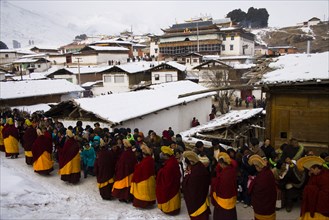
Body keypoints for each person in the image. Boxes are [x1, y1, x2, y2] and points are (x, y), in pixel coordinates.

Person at [297, 156, 329, 220]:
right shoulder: (314, 175)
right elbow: (310, 185)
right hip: (313, 199)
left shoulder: (325, 176)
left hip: (321, 201)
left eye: (312, 170)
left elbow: (326, 192)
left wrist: (312, 190)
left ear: (317, 168)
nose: (311, 172)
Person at [182, 151, 211, 220]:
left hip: (197, 197)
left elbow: (191, 186)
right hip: (202, 194)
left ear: (191, 162)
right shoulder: (199, 165)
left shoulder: (196, 172)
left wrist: (187, 177)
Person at [248, 155, 277, 220]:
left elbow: (257, 190)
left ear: (258, 166)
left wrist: (252, 183)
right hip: (270, 202)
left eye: (255, 166)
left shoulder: (261, 177)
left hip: (262, 206)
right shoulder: (269, 172)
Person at [211, 152, 237, 220]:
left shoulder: (224, 174)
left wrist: (214, 181)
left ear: (222, 163)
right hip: (231, 195)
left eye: (219, 164)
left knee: (223, 214)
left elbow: (218, 186)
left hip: (223, 198)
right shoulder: (232, 170)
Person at [156, 146, 181, 215]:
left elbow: (167, 177)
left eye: (163, 154)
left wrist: (161, 171)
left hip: (171, 185)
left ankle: (170, 209)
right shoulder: (172, 160)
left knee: (166, 193)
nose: (162, 155)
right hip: (174, 184)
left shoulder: (170, 165)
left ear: (167, 156)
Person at [130, 144, 156, 208]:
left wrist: (136, 166)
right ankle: (150, 203)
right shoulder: (151, 159)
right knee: (149, 192)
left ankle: (143, 204)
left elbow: (140, 169)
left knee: (143, 192)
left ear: (144, 154)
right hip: (151, 179)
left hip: (143, 180)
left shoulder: (146, 160)